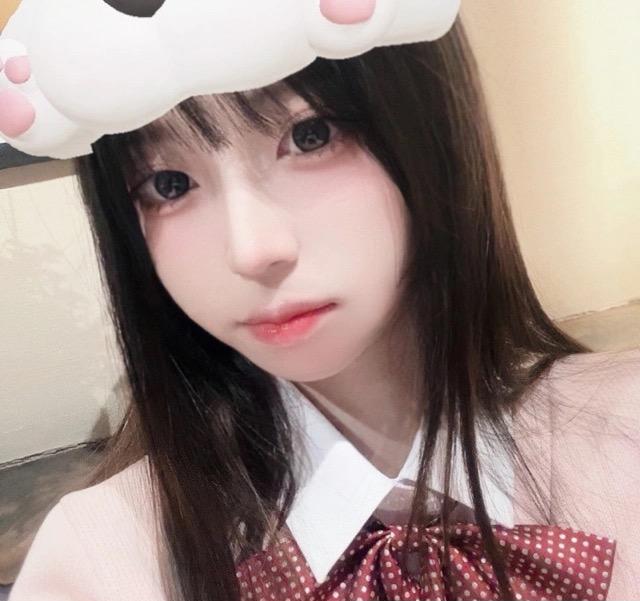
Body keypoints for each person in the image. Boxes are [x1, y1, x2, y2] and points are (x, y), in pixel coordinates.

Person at [8, 16, 640, 601]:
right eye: (168, 184)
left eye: (310, 136)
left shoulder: (626, 437)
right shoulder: (102, 560)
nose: (252, 250)